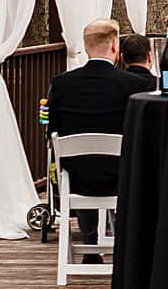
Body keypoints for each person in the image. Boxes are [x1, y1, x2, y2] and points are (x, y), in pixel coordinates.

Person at [46, 20, 146, 233]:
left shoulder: (61, 84)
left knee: (83, 162)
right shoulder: (136, 85)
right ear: (114, 46)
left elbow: (52, 130)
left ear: (85, 46)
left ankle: (89, 235)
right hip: (124, 177)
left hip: (76, 178)